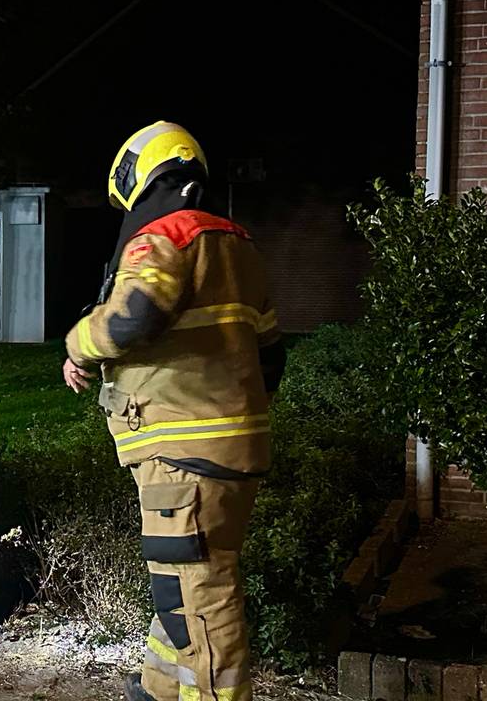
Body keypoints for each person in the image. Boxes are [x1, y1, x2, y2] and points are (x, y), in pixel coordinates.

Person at [61, 122, 286, 701]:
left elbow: (132, 318)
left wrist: (76, 341)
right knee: (180, 589)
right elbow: (269, 355)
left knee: (200, 599)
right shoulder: (237, 244)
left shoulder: (164, 238)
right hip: (230, 449)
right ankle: (160, 689)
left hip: (182, 454)